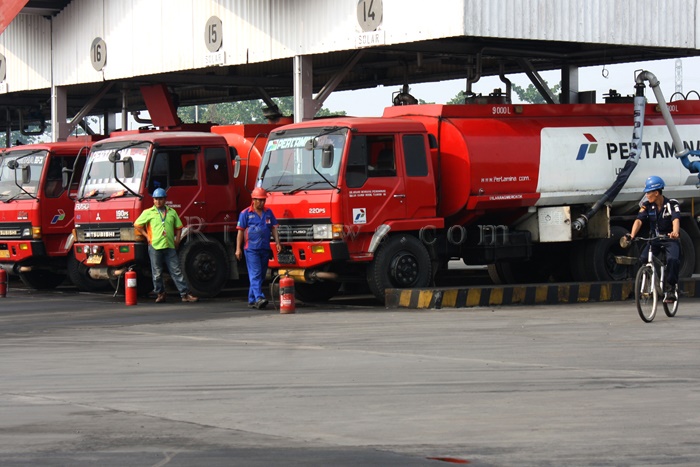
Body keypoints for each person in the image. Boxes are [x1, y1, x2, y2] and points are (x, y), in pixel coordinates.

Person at [133, 187, 199, 303]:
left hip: (169, 245)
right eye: (156, 199)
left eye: (161, 199)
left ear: (165, 200)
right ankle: (160, 293)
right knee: (157, 272)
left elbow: (179, 227)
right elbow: (137, 224)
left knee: (176, 270)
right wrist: (147, 236)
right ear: (153, 200)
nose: (158, 201)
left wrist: (177, 240)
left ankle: (185, 294)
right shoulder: (148, 213)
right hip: (155, 246)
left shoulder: (172, 212)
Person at [627, 175, 681, 303]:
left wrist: (675, 232)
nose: (646, 195)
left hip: (669, 238)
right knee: (643, 259)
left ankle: (671, 288)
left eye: (648, 192)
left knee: (673, 259)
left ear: (656, 193)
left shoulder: (672, 204)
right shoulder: (646, 206)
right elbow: (639, 221)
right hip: (655, 239)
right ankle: (649, 280)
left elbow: (676, 219)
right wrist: (632, 235)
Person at [236, 187, 282, 309]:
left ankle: (252, 299)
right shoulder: (245, 213)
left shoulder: (268, 212)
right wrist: (238, 249)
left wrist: (277, 242)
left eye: (263, 200)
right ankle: (259, 297)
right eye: (259, 200)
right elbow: (240, 232)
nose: (261, 203)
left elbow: (273, 228)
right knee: (255, 273)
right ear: (253, 200)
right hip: (251, 249)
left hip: (264, 248)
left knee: (261, 275)